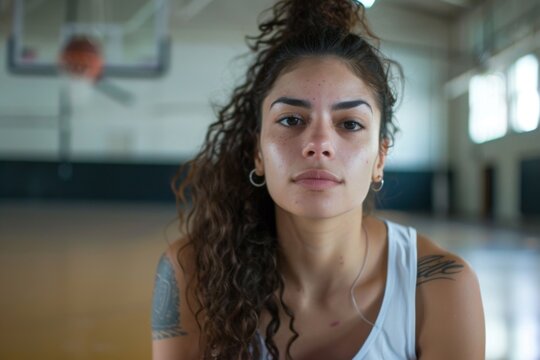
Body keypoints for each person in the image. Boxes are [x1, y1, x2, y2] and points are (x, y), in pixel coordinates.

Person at [151, 0, 485, 359]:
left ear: (380, 158)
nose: (319, 144)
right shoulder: (192, 273)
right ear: (258, 152)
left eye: (350, 124)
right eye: (292, 120)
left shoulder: (441, 286)